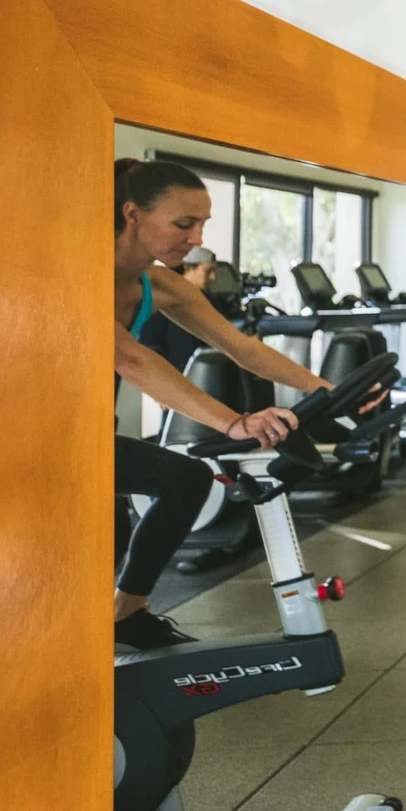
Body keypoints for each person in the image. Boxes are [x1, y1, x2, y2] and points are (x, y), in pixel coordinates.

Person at [112, 159, 350, 649]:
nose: (196, 238)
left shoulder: (161, 284)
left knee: (184, 482)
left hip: (87, 435)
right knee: (121, 524)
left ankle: (126, 613)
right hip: (26, 435)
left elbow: (242, 348)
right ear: (133, 214)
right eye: (184, 224)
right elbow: (130, 359)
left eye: (202, 224)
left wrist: (329, 392)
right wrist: (234, 422)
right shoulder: (76, 274)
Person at [138, 245, 218, 371]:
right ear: (188, 267)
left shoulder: (210, 302)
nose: (213, 277)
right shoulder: (162, 300)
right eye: (208, 271)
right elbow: (150, 346)